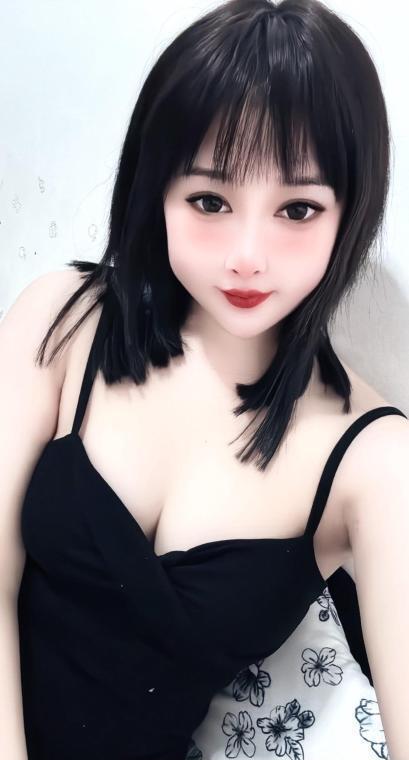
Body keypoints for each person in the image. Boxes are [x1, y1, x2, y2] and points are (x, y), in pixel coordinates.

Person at [1, 0, 408, 757]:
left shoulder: (374, 459)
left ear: (349, 213)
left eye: (297, 209)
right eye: (210, 200)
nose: (247, 256)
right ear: (155, 190)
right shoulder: (62, 318)